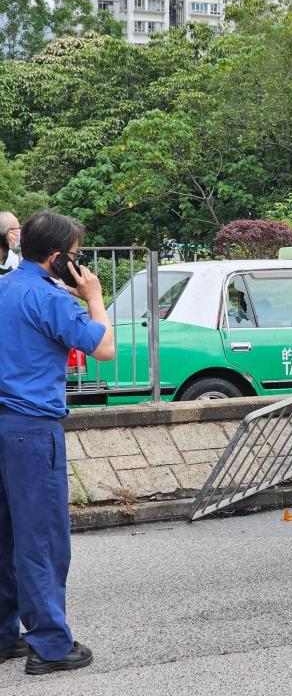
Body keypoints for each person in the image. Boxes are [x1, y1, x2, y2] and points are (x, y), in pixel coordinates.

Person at [0, 211, 115, 676]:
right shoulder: (50, 298)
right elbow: (103, 347)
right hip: (31, 428)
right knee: (41, 538)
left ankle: (5, 635)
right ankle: (49, 644)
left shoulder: (6, 287)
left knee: (4, 535)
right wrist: (94, 297)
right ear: (58, 257)